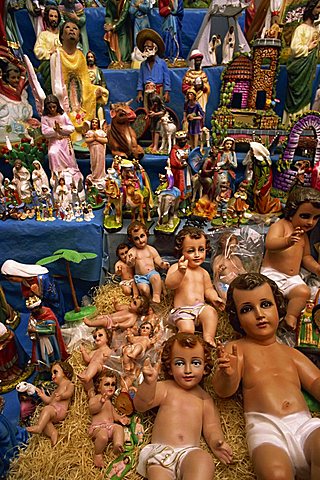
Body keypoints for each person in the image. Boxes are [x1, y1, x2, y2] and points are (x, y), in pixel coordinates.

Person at [212, 272, 320, 480]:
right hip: (266, 430)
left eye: (265, 304)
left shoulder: (290, 353)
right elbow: (223, 391)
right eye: (247, 309)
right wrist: (228, 374)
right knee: (275, 474)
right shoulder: (237, 349)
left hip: (304, 424)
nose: (259, 314)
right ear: (237, 319)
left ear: (278, 308)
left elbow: (315, 380)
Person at [134, 332, 233, 479]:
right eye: (180, 363)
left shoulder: (204, 399)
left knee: (204, 460)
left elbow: (211, 427)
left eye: (196, 363)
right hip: (162, 454)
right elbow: (141, 405)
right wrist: (149, 384)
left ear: (205, 367)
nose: (188, 370)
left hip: (189, 453)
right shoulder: (165, 388)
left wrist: (216, 442)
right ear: (169, 367)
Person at [261, 187, 320, 330]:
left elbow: (306, 257)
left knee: (303, 292)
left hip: (292, 277)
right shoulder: (281, 226)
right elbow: (270, 243)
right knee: (270, 294)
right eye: (305, 216)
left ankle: (291, 317)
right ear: (291, 213)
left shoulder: (304, 235)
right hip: (273, 273)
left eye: (316, 217)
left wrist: (316, 268)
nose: (310, 222)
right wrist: (287, 241)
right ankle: (272, 319)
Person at [165, 227, 224, 347]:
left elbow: (208, 289)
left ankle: (208, 338)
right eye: (191, 251)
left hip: (200, 308)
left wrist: (214, 298)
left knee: (211, 313)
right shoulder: (177, 268)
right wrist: (181, 272)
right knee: (187, 329)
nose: (197, 255)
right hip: (183, 310)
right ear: (181, 251)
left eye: (201, 249)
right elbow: (170, 284)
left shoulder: (203, 272)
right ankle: (186, 342)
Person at [50, 22, 108, 136]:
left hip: (79, 99)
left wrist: (94, 90)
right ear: (61, 35)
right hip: (64, 99)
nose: (72, 30)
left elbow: (85, 82)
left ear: (78, 36)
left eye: (75, 28)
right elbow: (55, 84)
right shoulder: (56, 55)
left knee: (101, 92)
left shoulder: (81, 56)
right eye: (67, 27)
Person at [283, 0, 320, 125]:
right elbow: (294, 48)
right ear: (311, 9)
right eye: (318, 7)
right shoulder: (301, 29)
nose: (319, 11)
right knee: (297, 96)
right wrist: (308, 48)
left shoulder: (314, 28)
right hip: (300, 69)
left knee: (307, 95)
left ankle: (302, 124)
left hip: (309, 70)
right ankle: (291, 125)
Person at [1, 259, 65, 325]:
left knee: (54, 317)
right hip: (39, 307)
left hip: (51, 305)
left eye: (11, 279)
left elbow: (53, 296)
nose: (12, 281)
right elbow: (26, 294)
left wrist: (38, 293)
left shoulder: (43, 278)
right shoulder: (24, 280)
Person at [87, 370, 129, 468]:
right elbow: (92, 410)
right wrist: (100, 403)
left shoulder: (109, 402)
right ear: (98, 387)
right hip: (98, 428)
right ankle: (97, 454)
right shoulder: (96, 398)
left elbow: (114, 415)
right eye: (107, 384)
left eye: (113, 384)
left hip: (110, 426)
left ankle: (117, 445)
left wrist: (120, 419)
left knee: (119, 428)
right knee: (103, 436)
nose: (110, 387)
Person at [27, 361, 74, 446]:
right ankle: (53, 433)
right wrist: (41, 395)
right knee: (45, 420)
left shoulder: (68, 384)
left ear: (65, 372)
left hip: (59, 410)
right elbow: (49, 401)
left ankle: (38, 428)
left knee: (46, 409)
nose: (52, 376)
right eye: (52, 373)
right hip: (53, 410)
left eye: (55, 372)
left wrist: (62, 395)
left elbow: (69, 393)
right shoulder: (56, 389)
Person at [41, 95, 83, 188]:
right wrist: (54, 130)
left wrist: (61, 128)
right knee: (52, 153)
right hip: (54, 141)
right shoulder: (45, 118)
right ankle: (57, 174)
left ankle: (70, 173)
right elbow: (44, 132)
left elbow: (71, 128)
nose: (52, 109)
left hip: (64, 141)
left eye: (54, 107)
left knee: (69, 159)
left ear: (57, 106)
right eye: (50, 107)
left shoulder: (62, 115)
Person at [126, 221, 170, 303]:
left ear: (147, 234)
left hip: (152, 273)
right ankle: (149, 301)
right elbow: (129, 264)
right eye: (136, 238)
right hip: (140, 277)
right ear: (131, 240)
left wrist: (162, 264)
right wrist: (131, 261)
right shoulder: (132, 251)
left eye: (142, 236)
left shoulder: (151, 249)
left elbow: (157, 259)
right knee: (144, 290)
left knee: (156, 278)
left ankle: (156, 296)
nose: (140, 240)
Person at [27, 296, 68, 369]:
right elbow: (31, 324)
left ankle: (54, 367)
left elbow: (51, 330)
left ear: (39, 307)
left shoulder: (48, 315)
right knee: (42, 355)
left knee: (51, 355)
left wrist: (35, 330)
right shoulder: (34, 316)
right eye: (31, 310)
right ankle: (45, 369)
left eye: (34, 309)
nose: (33, 312)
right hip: (40, 340)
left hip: (50, 340)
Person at [136, 28, 171, 106]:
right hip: (146, 90)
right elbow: (140, 79)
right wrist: (140, 93)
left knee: (158, 108)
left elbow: (167, 79)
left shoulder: (162, 63)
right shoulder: (143, 65)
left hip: (158, 89)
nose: (147, 49)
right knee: (147, 108)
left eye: (149, 47)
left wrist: (166, 92)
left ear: (155, 48)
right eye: (145, 47)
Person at [246, 141, 282, 214]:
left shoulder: (262, 163)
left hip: (264, 183)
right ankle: (257, 209)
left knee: (262, 202)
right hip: (257, 181)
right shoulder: (255, 160)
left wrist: (259, 188)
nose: (250, 152)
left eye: (252, 150)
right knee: (257, 199)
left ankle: (275, 204)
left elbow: (264, 176)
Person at [33, 5, 61, 95]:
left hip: (63, 62)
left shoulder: (63, 35)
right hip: (48, 63)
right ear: (47, 18)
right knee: (50, 68)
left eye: (56, 16)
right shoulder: (43, 35)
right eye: (51, 16)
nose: (53, 19)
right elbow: (38, 51)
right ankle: (51, 95)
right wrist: (50, 53)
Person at [212, 232, 247, 301]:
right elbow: (216, 279)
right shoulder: (219, 259)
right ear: (222, 246)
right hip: (224, 286)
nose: (231, 250)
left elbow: (243, 272)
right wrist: (218, 271)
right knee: (226, 297)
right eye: (228, 247)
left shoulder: (236, 259)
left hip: (237, 285)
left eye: (234, 247)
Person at [84, 296, 149, 330]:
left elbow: (128, 324)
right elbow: (118, 308)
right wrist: (115, 304)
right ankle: (93, 325)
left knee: (103, 321)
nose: (131, 303)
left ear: (139, 310)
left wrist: (119, 325)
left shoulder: (133, 316)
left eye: (134, 304)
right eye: (133, 301)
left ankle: (90, 323)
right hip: (109, 316)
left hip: (111, 323)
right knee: (99, 317)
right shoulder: (127, 307)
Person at [104, 0, 132, 68]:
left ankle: (124, 61)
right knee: (109, 36)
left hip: (123, 27)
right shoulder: (109, 2)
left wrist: (114, 27)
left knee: (123, 46)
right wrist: (108, 24)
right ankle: (115, 61)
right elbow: (108, 16)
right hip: (113, 25)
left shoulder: (125, 2)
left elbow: (123, 17)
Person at [182, 49, 211, 114]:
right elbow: (184, 88)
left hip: (201, 98)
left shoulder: (203, 74)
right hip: (191, 99)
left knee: (200, 114)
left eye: (199, 61)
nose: (198, 63)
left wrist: (203, 86)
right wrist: (193, 88)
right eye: (196, 61)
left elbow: (207, 88)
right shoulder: (188, 74)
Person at [85, 118, 108, 188]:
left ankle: (100, 176)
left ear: (98, 124)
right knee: (94, 162)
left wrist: (97, 138)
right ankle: (94, 176)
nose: (94, 124)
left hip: (100, 150)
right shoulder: (89, 132)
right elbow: (87, 140)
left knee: (100, 162)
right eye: (93, 122)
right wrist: (93, 138)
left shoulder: (101, 132)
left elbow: (105, 140)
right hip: (93, 149)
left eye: (96, 122)